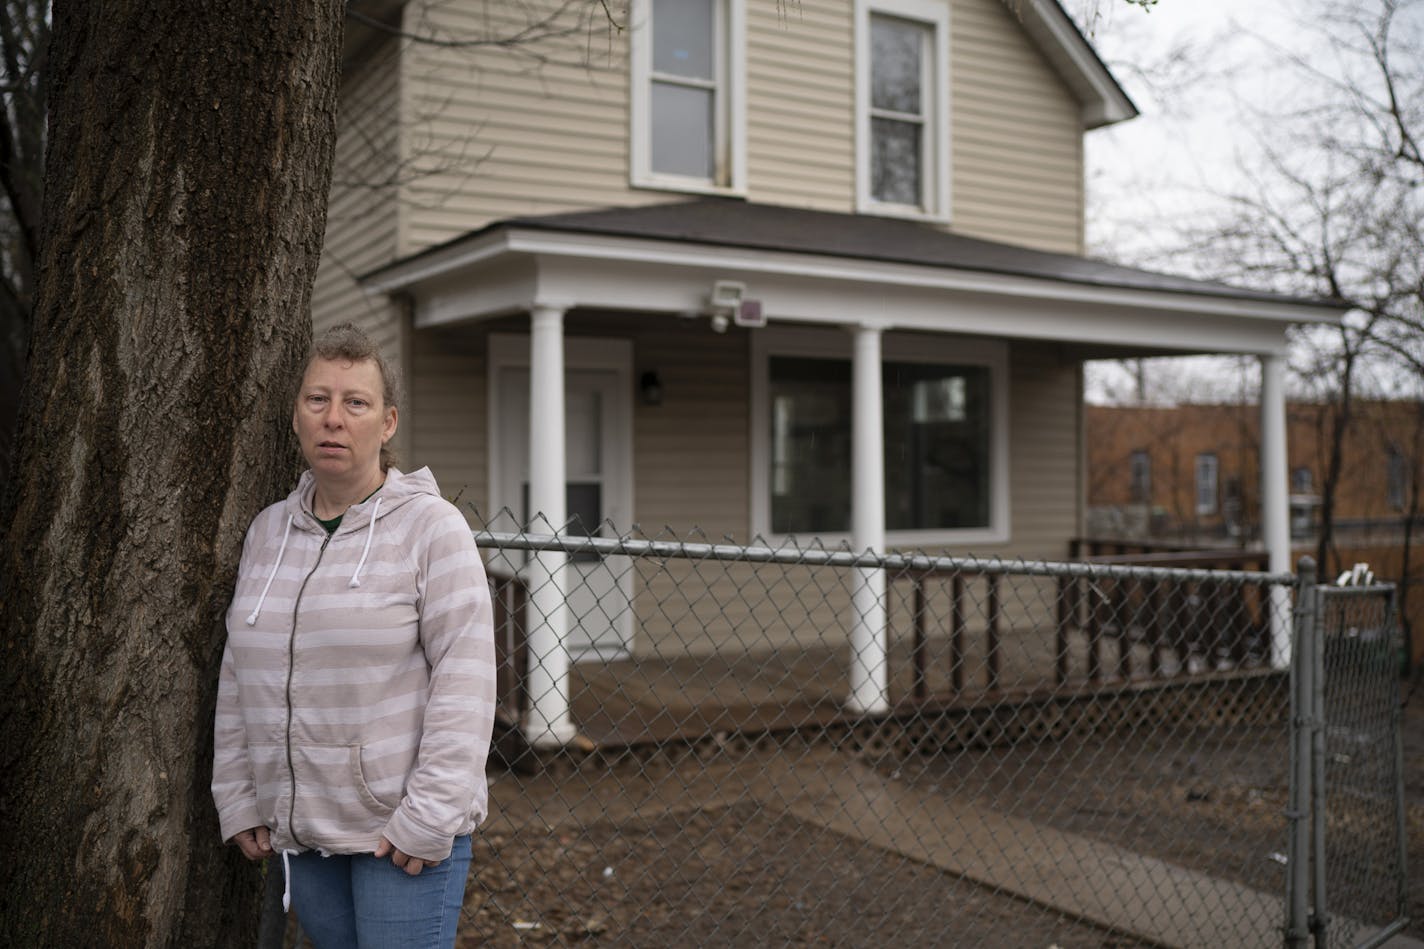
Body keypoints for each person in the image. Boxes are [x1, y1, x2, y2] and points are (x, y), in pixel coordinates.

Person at [212, 323, 496, 948]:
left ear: (387, 423)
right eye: (318, 400)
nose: (333, 419)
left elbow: (466, 679)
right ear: (296, 416)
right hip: (305, 832)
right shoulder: (267, 533)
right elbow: (239, 675)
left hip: (399, 838)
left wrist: (428, 816)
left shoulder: (431, 529)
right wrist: (237, 795)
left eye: (355, 403)